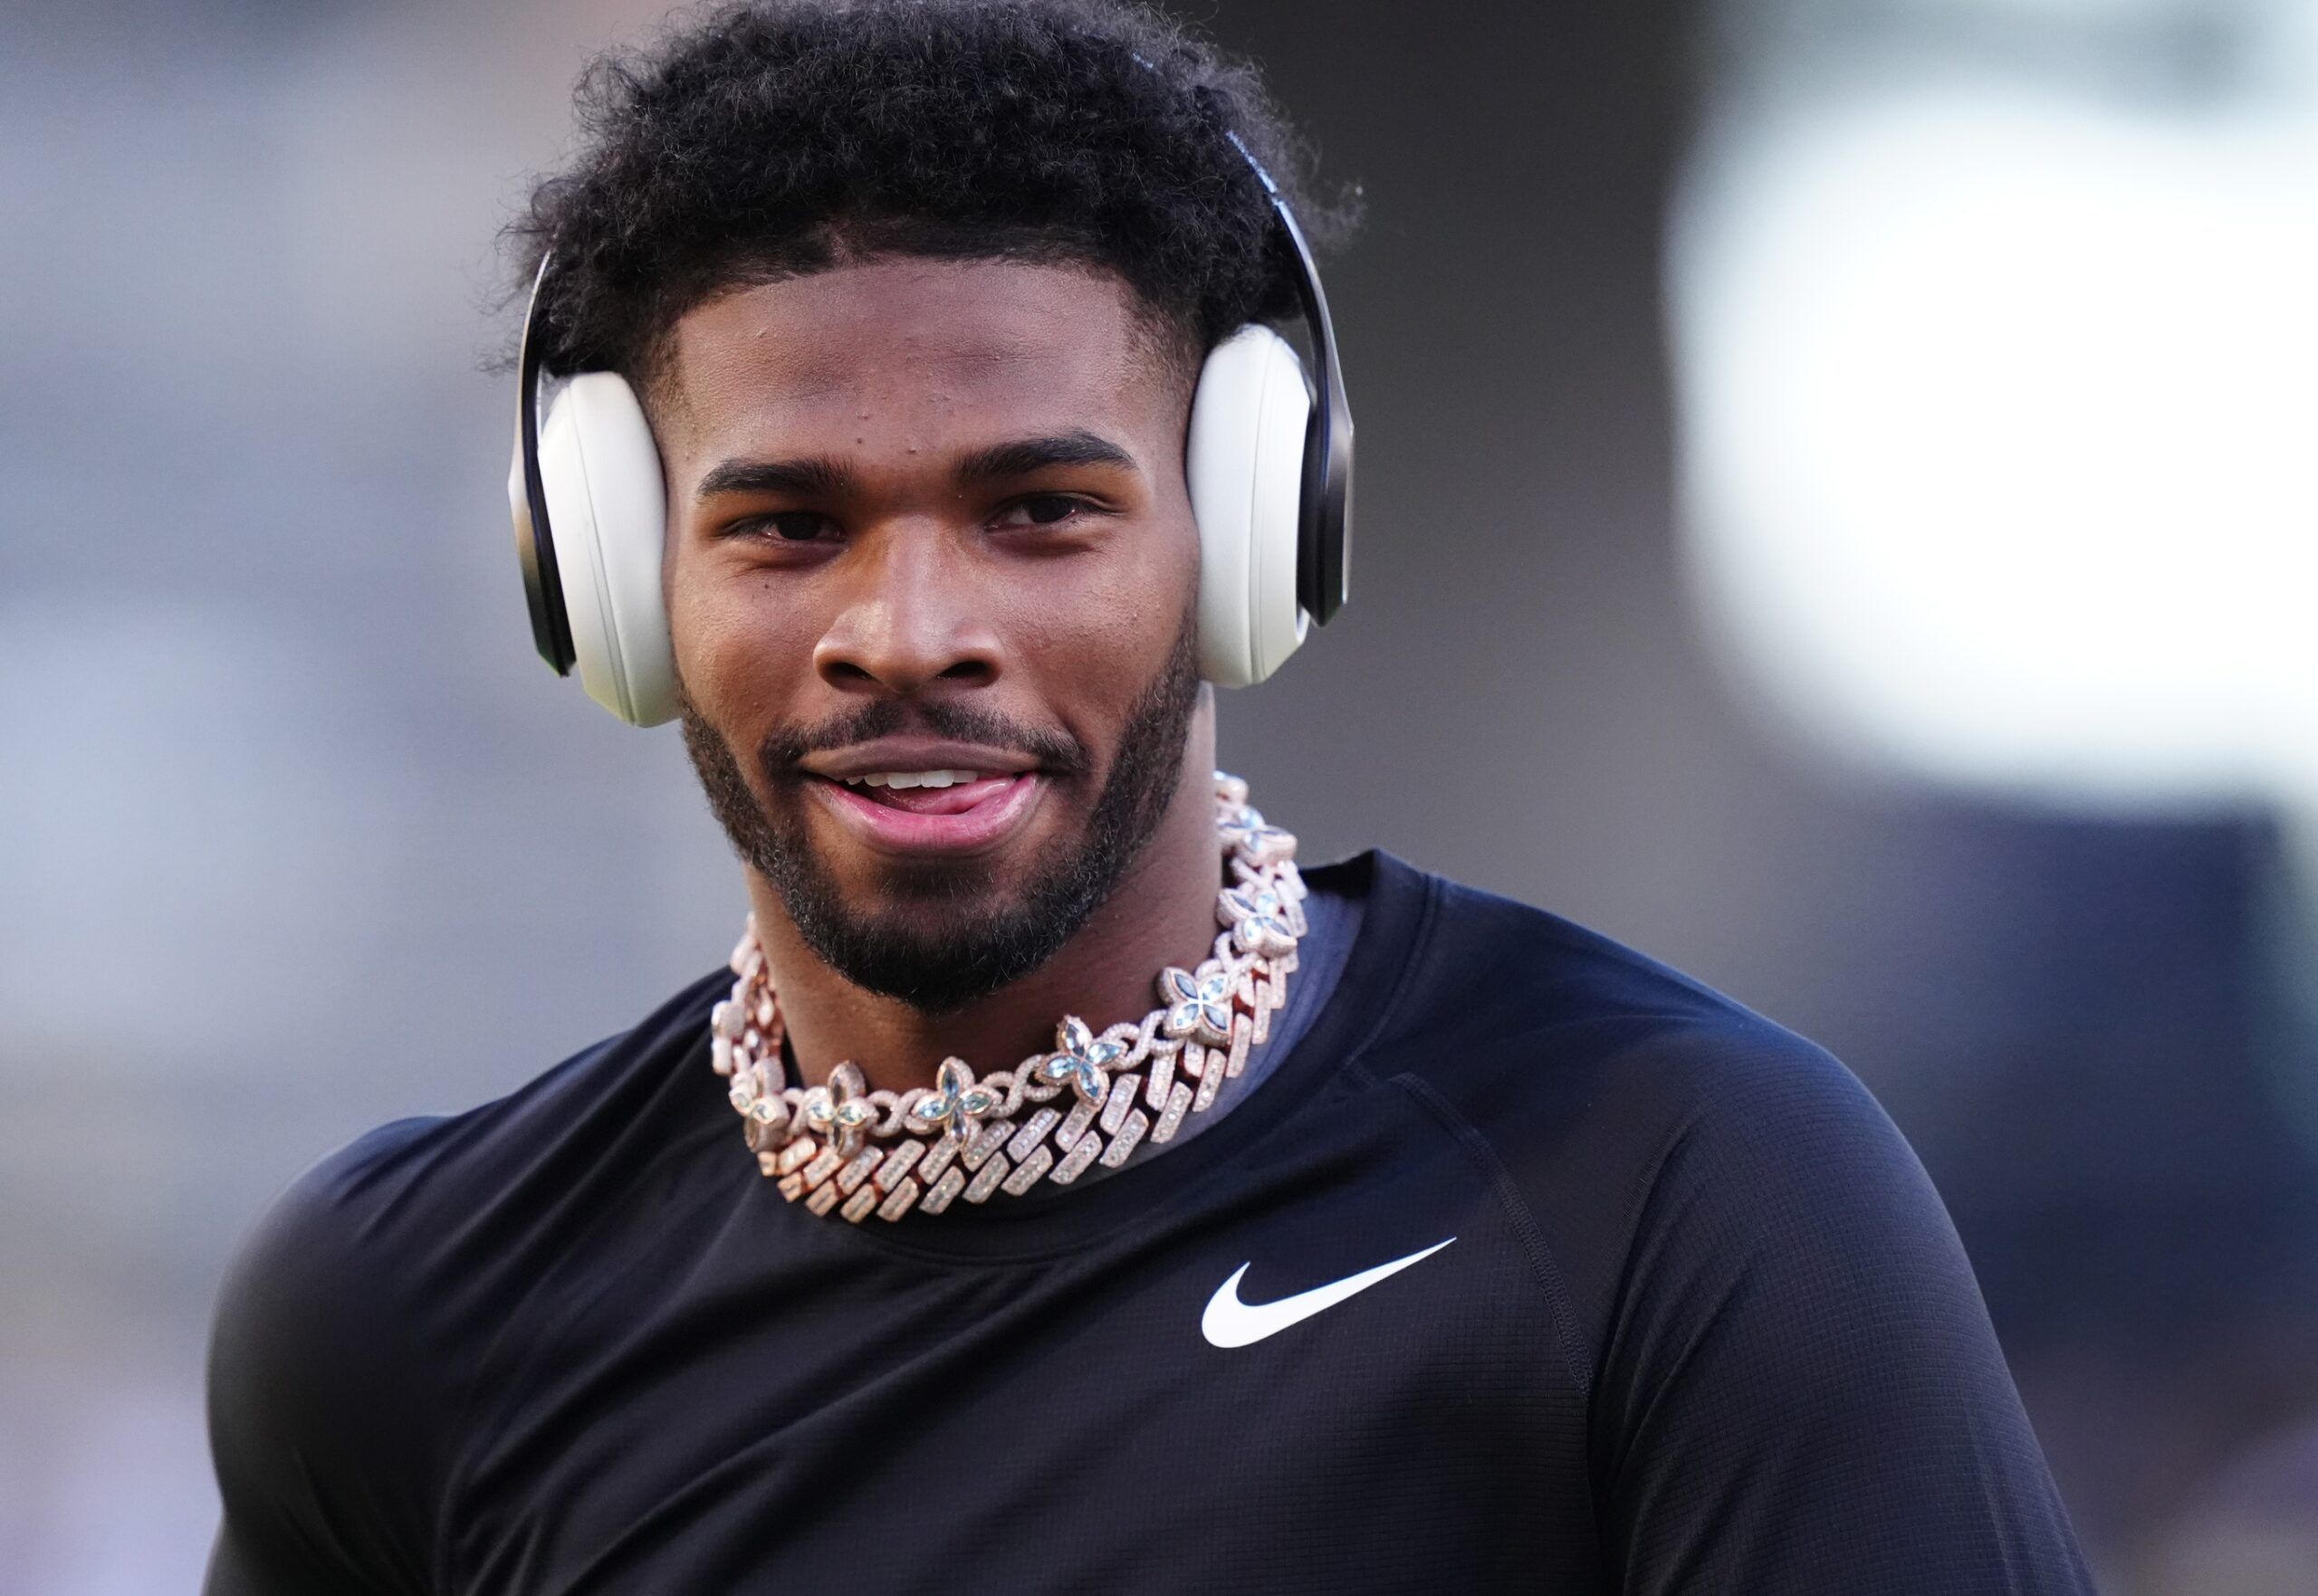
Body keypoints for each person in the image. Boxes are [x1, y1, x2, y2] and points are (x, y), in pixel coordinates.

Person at [202, 2, 2096, 1591]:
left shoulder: (1679, 1189)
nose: (910, 634)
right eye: (785, 525)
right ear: (613, 583)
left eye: (1041, 511)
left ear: (1249, 532)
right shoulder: (405, 1315)